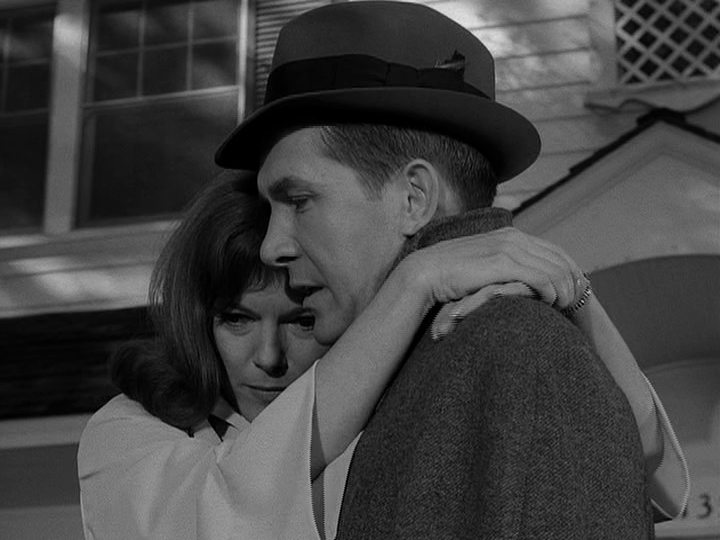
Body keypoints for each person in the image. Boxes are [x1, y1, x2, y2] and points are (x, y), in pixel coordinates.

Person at [213, 2, 688, 537]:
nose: (271, 247)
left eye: (299, 201)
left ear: (413, 198)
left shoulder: (514, 353)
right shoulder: (402, 366)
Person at [78, 173, 604, 539]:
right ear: (199, 320)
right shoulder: (126, 430)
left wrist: (572, 292)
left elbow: (617, 468)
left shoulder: (395, 410)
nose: (269, 357)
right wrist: (417, 279)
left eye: (300, 321)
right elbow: (215, 517)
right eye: (236, 319)